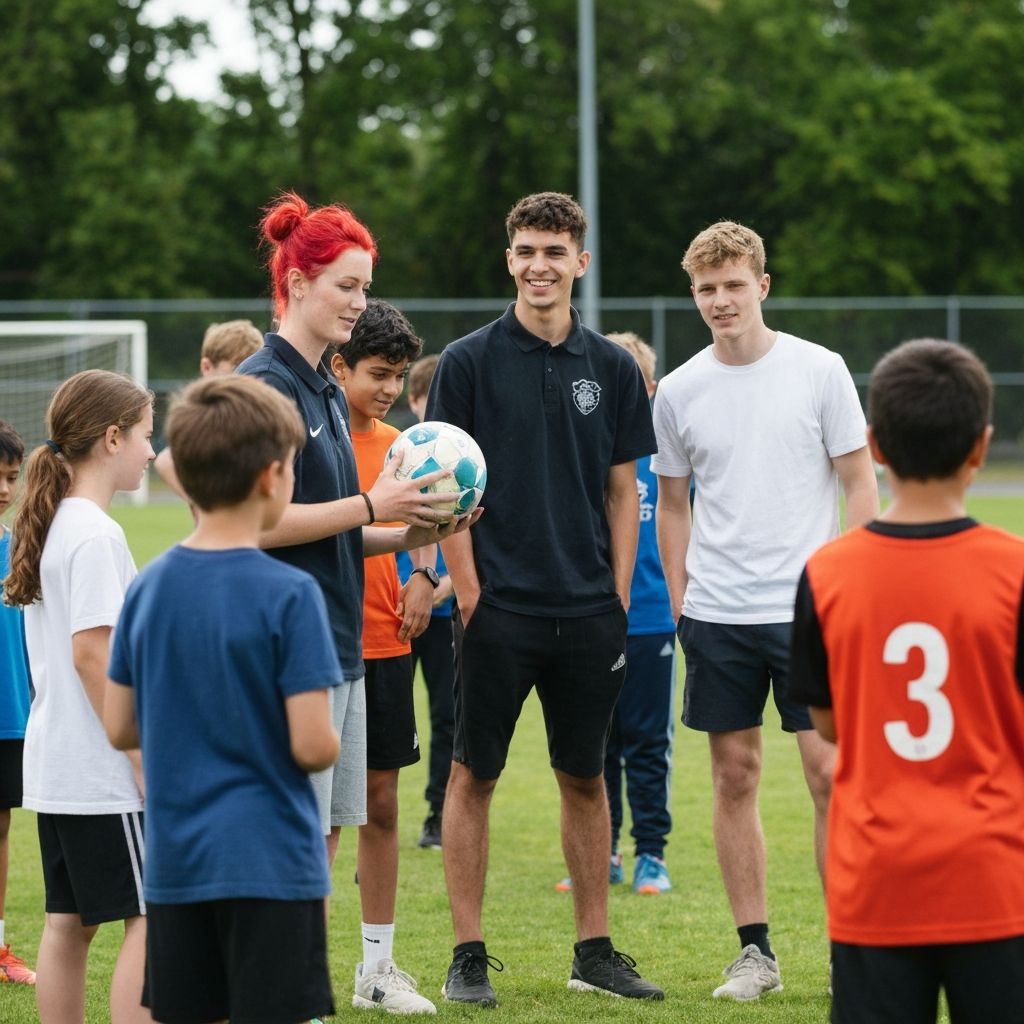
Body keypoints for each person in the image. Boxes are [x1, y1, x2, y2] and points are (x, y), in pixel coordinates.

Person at [427, 191, 664, 1005]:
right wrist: (468, 590)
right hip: (498, 610)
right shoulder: (466, 362)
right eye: (526, 250)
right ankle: (467, 955)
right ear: (509, 260)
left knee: (588, 777)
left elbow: (622, 490)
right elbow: (439, 486)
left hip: (589, 611)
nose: (539, 266)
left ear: (580, 263)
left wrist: (619, 595)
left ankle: (593, 952)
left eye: (555, 252)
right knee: (472, 776)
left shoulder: (613, 368)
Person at [651, 220, 879, 1000]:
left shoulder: (821, 371)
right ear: (695, 295)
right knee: (734, 775)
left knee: (828, 774)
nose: (721, 301)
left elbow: (858, 482)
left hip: (813, 609)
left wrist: (857, 578)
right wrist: (681, 598)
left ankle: (853, 945)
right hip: (717, 614)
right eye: (707, 289)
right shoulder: (678, 390)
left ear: (762, 287)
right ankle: (755, 954)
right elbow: (672, 504)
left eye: (733, 286)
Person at [233, 191, 476, 879]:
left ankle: (303, 985)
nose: (359, 303)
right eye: (347, 286)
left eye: (366, 287)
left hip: (339, 647)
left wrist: (411, 534)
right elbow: (258, 525)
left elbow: (334, 529)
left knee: (326, 843)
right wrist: (375, 504)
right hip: (287, 649)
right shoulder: (265, 387)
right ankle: (268, 987)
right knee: (289, 839)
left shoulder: (327, 391)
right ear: (299, 283)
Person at [789, 338, 1024, 1024]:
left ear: (875, 446)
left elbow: (829, 726)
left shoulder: (827, 574)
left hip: (877, 882)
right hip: (995, 878)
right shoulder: (1013, 569)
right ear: (980, 448)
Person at [103, 374, 340, 1024]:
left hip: (179, 866)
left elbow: (120, 724)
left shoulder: (147, 588)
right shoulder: (292, 596)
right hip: (272, 865)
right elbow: (313, 744)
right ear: (272, 476)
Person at [3, 370, 155, 1023]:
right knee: (154, 917)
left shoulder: (59, 522)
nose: (153, 451)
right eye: (147, 435)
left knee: (69, 924)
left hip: (60, 764)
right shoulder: (93, 533)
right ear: (112, 437)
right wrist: (141, 753)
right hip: (102, 771)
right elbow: (93, 654)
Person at [327, 299, 438, 1014]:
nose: (390, 388)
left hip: (387, 642)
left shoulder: (405, 444)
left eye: (398, 376)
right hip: (323, 645)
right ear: (339, 366)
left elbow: (423, 516)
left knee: (382, 805)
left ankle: (377, 968)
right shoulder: (319, 439)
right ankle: (297, 960)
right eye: (377, 373)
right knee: (322, 817)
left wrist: (425, 573)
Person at [554, 332, 676, 896]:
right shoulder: (583, 450)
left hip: (651, 619)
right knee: (595, 744)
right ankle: (604, 851)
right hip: (589, 618)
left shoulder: (665, 461)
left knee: (647, 742)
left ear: (645, 388)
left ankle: (652, 853)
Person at [395, 354, 457, 852]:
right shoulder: (396, 456)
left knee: (447, 715)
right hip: (390, 612)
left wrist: (448, 582)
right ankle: (379, 820)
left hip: (442, 614)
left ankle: (437, 813)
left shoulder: (465, 462)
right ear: (414, 401)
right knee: (390, 713)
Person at [0, 421, 36, 985]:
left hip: (11, 716)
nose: (6, 489)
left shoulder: (20, 545)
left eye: (10, 477)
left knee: (1, 827)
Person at [153, 319, 263, 499]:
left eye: (252, 368)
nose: (246, 376)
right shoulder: (208, 411)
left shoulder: (249, 410)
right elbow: (165, 461)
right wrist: (203, 505)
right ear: (207, 367)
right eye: (237, 368)